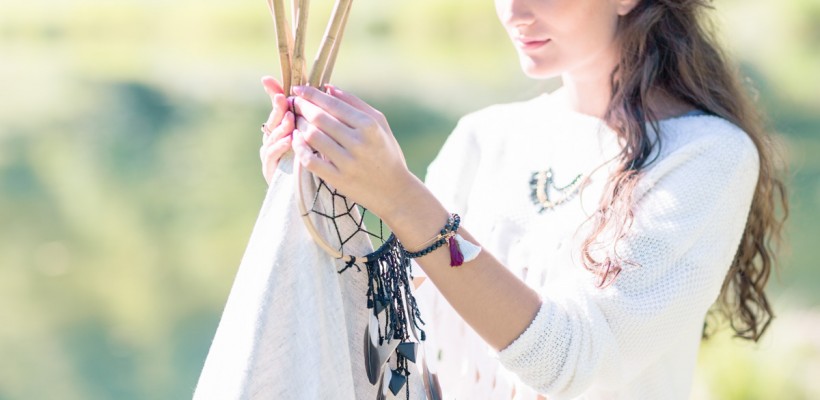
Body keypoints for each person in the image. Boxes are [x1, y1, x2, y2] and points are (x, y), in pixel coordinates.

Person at [257, 0, 787, 398]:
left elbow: (573, 359)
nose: (513, 10)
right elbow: (391, 336)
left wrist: (399, 195)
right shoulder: (486, 137)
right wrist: (316, 192)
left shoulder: (706, 155)